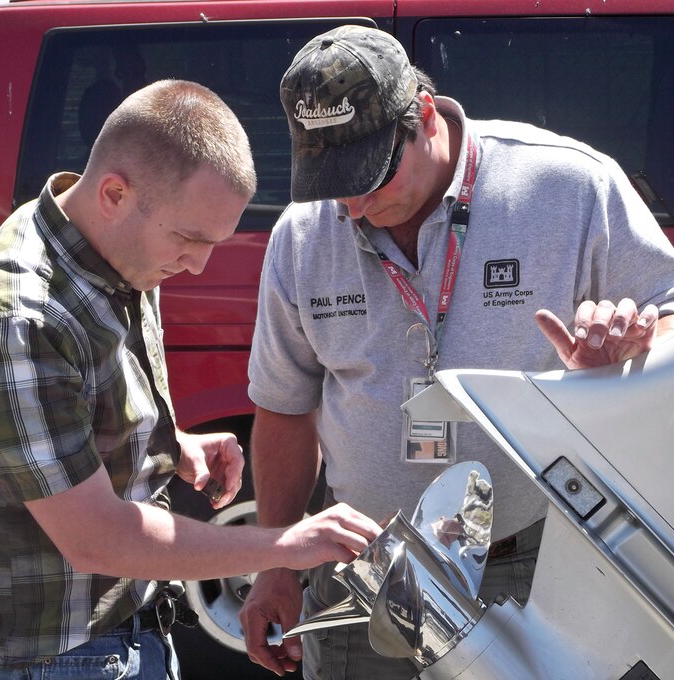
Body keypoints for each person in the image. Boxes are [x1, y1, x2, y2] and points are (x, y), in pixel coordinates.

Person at [238, 25, 674, 679]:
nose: (353, 203)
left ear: (421, 114)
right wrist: (275, 560)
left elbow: (665, 316)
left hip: (533, 567)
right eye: (332, 182)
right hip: (369, 571)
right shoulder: (303, 236)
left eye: (369, 176)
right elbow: (284, 410)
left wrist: (621, 359)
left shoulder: (570, 188)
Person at [0, 79, 382, 680]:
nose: (198, 265)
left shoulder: (107, 252)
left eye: (214, 242)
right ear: (113, 193)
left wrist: (168, 445)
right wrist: (286, 545)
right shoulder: (12, 318)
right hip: (56, 660)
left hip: (117, 634)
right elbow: (97, 538)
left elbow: (75, 416)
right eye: (188, 239)